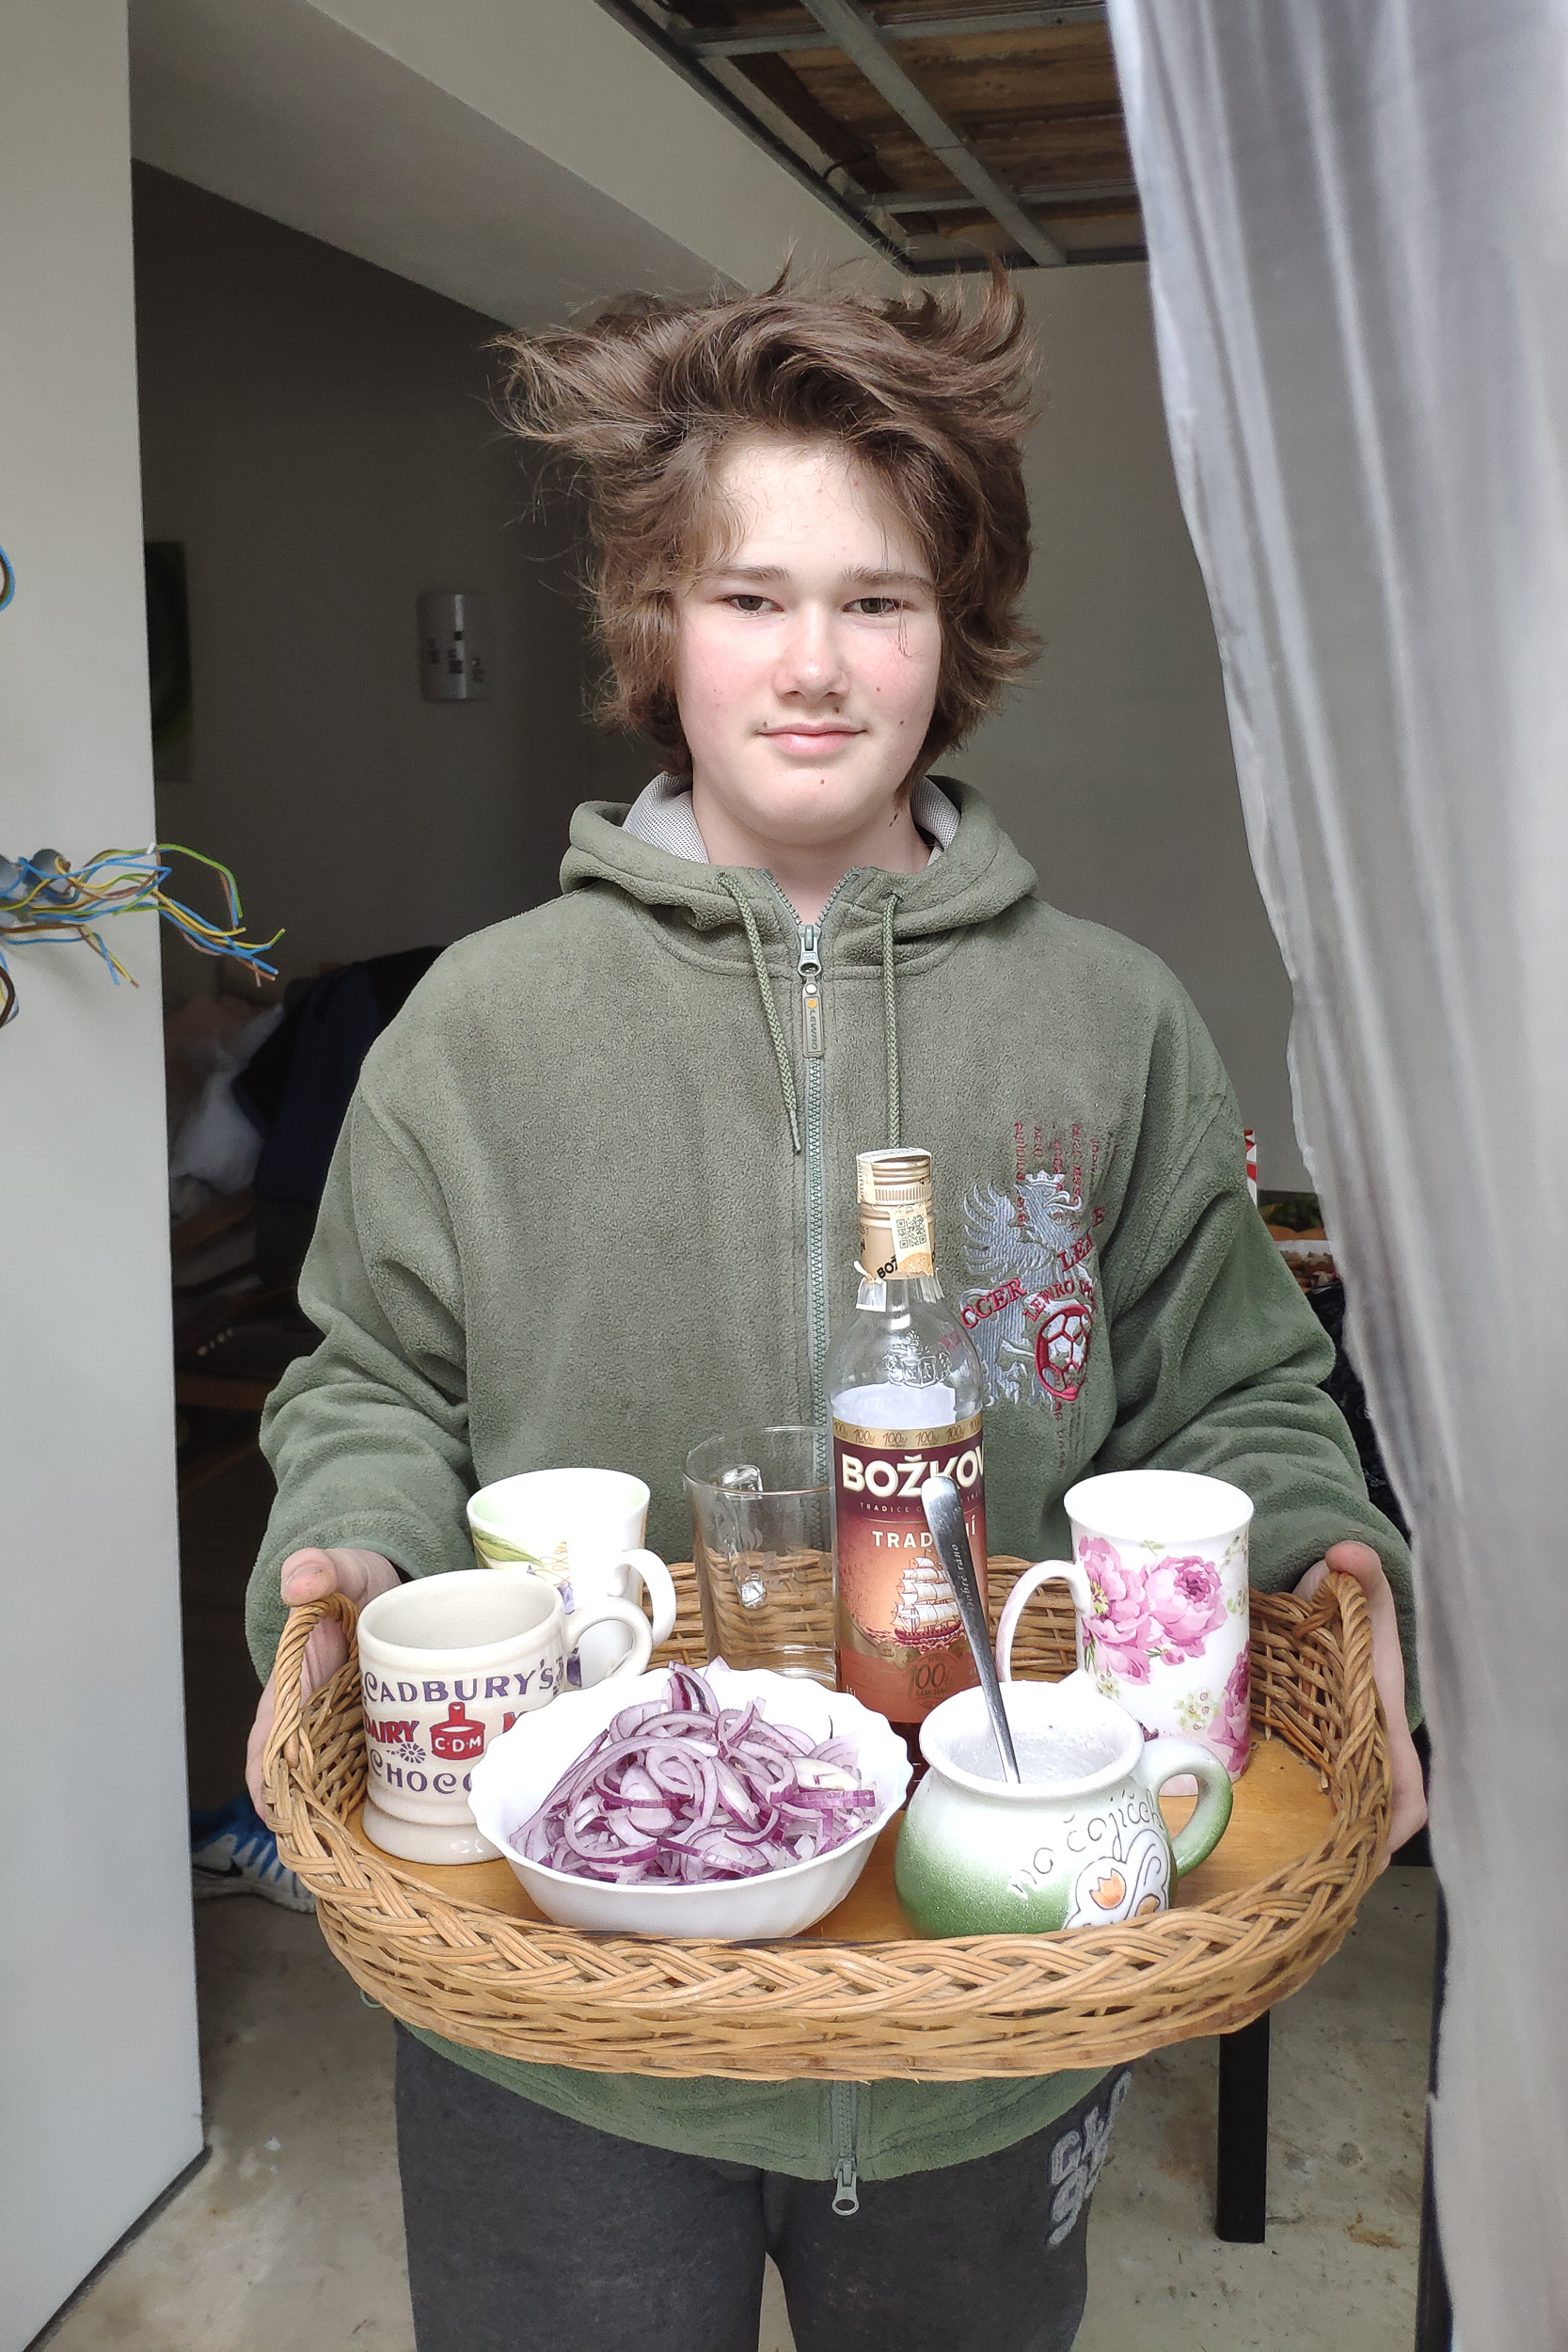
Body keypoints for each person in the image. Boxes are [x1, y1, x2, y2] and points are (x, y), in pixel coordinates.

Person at [244, 271, 1425, 2352]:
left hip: (997, 1987)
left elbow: (1238, 1385)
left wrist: (1335, 1563)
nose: (812, 663)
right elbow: (374, 1385)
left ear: (955, 633)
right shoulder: (479, 1029)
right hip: (569, 2024)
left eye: (877, 600)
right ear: (656, 627)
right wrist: (346, 1560)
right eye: (749, 597)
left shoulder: (1111, 1016)